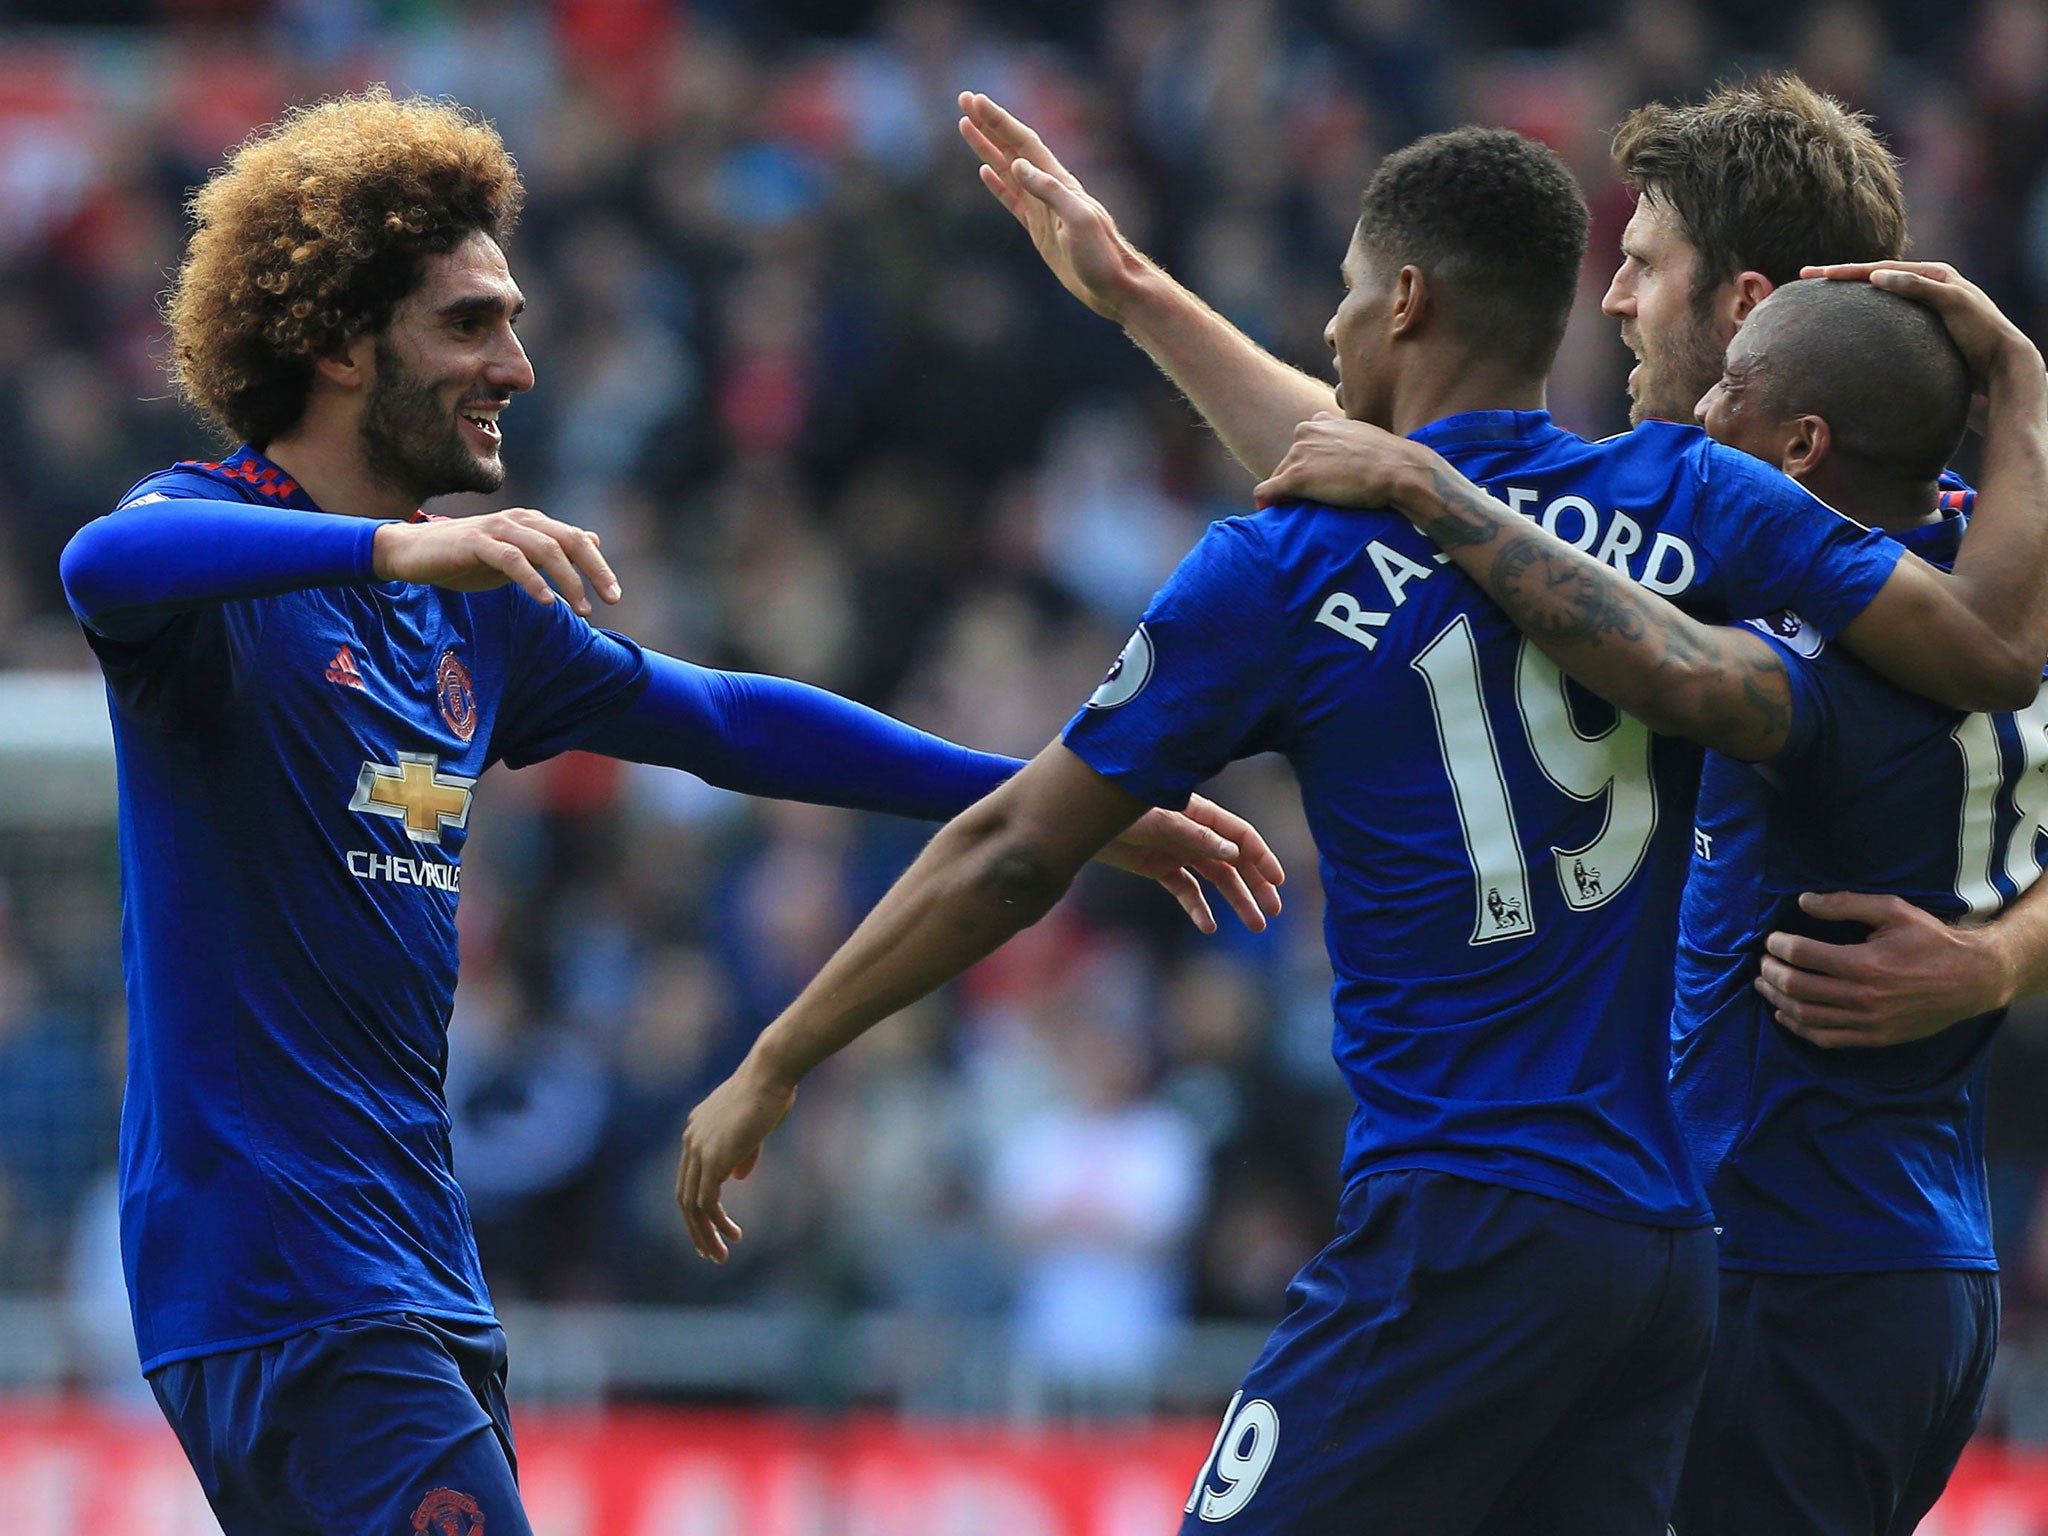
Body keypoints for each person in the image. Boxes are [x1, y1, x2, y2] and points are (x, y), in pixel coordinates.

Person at [676, 127, 2045, 1534]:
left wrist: (780, 1055)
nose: (1325, 328)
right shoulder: (1692, 506)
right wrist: (1137, 287)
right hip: (1664, 1254)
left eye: (1343, 291)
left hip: (1480, 1222)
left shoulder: (1287, 559)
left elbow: (1014, 849)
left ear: (1402, 302)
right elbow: (1987, 645)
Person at [55, 90, 1282, 1536]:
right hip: (280, 1271)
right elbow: (103, 561)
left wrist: (1065, 803)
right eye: (468, 324)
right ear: (334, 341)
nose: (515, 361)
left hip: (410, 1267)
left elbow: (729, 720)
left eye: (511, 318)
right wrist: (394, 545)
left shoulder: (480, 624)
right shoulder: (221, 557)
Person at [958, 75, 2048, 1033]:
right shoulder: (1949, 543)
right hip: (1736, 1203)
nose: (1611, 298)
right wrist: (1135, 294)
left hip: (1775, 1214)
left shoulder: (1784, 561)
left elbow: (1453, 504)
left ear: (1743, 309)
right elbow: (1417, 485)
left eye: (1640, 265)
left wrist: (1994, 962)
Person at [1256, 267, 2043, 1534]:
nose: (1615, 300)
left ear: (1798, 433)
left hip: (1794, 1253)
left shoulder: (1830, 659)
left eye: (1650, 260)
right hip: (1916, 1255)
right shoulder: (1984, 551)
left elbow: (1667, 668)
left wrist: (1431, 491)